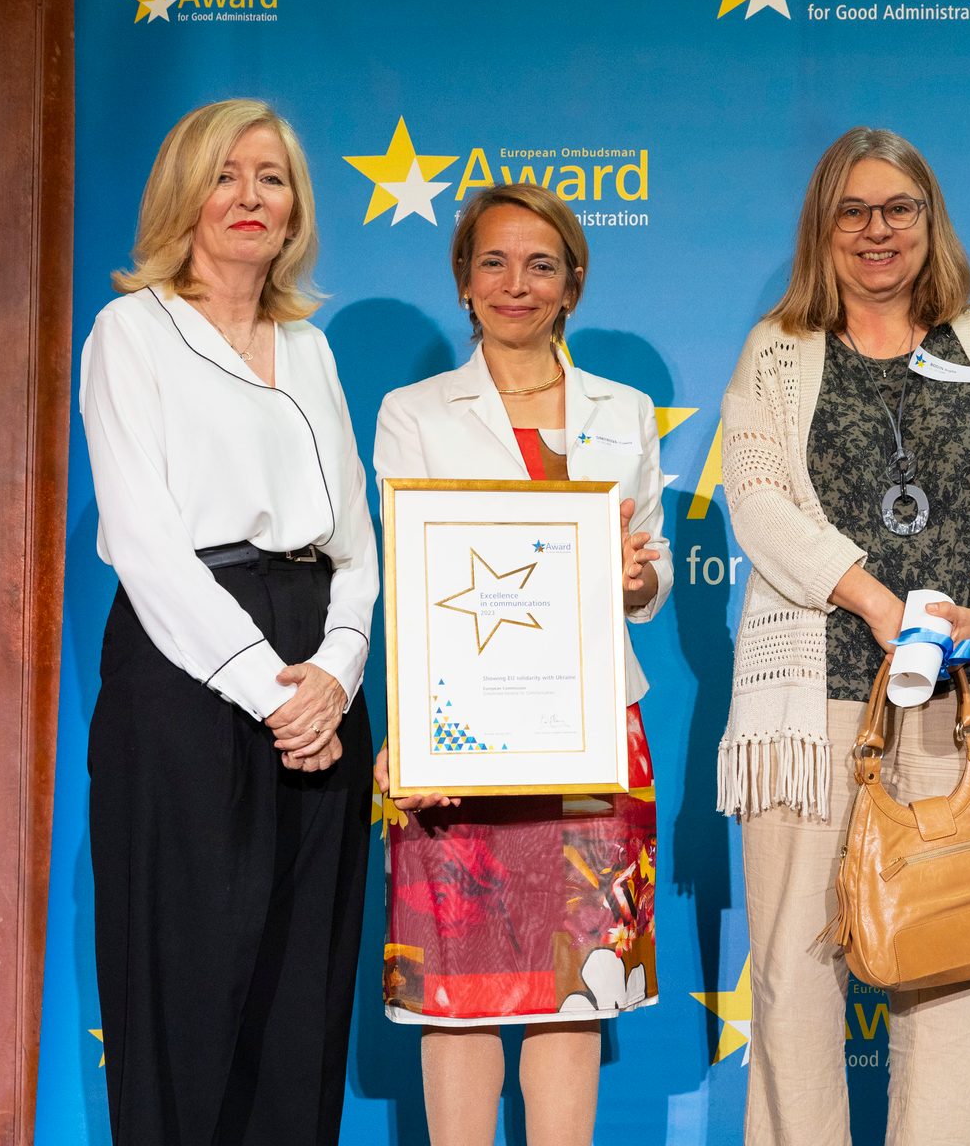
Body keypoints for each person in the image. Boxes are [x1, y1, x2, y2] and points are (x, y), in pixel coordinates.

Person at [716, 127, 970, 1144]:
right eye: (853, 210)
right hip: (809, 711)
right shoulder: (778, 348)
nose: (877, 230)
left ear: (928, 220)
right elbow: (759, 499)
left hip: (961, 706)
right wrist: (872, 598)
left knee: (955, 967)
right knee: (796, 972)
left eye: (898, 207)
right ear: (824, 226)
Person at [79, 98, 376, 1144]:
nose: (251, 196)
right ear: (185, 195)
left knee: (299, 1002)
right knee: (187, 991)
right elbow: (148, 546)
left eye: (274, 177)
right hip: (191, 677)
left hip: (321, 684)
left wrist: (335, 675)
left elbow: (357, 547)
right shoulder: (130, 331)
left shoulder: (312, 348)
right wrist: (272, 691)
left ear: (296, 208)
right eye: (227, 174)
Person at [371, 181, 671, 1146]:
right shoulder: (412, 413)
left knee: (571, 989)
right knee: (452, 988)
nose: (517, 283)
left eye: (541, 264)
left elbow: (650, 582)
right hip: (457, 734)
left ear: (572, 284)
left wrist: (630, 581)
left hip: (587, 731)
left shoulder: (624, 412)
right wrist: (410, 741)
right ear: (463, 280)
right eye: (493, 262)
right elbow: (409, 581)